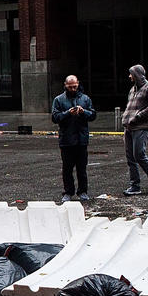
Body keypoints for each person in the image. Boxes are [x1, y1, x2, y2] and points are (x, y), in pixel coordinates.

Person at [50, 74, 96, 203]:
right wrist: (67, 113)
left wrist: (83, 112)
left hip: (81, 139)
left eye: (74, 86)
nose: (73, 89)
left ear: (78, 84)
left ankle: (83, 191)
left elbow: (93, 115)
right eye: (70, 87)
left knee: (82, 168)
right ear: (65, 85)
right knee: (67, 169)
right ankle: (68, 192)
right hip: (66, 139)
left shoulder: (85, 99)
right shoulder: (59, 99)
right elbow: (55, 117)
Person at [121, 64, 148, 195]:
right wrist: (126, 118)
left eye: (131, 74)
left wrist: (137, 116)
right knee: (130, 157)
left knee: (139, 155)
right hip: (129, 128)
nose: (129, 76)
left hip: (141, 127)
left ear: (137, 74)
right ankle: (135, 185)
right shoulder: (133, 89)